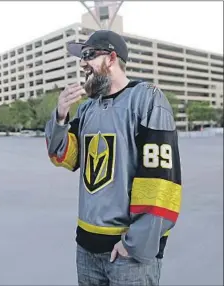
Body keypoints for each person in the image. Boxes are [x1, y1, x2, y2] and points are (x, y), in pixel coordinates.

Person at [45, 30, 182, 286]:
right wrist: (61, 117)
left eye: (88, 55)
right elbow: (64, 156)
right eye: (81, 57)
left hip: (128, 253)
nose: (83, 63)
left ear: (111, 58)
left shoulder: (147, 98)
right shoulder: (87, 108)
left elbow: (161, 181)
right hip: (86, 248)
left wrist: (135, 244)